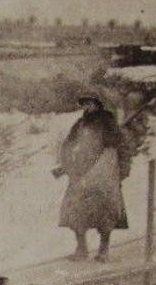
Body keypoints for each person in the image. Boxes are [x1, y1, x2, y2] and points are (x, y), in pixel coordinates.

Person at [54, 92, 130, 261]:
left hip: (104, 175)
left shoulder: (108, 122)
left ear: (97, 104)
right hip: (80, 174)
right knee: (75, 211)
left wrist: (123, 170)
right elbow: (68, 144)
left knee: (105, 213)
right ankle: (81, 250)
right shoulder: (80, 124)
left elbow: (122, 146)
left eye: (90, 103)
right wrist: (66, 164)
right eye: (85, 104)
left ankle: (103, 250)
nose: (87, 107)